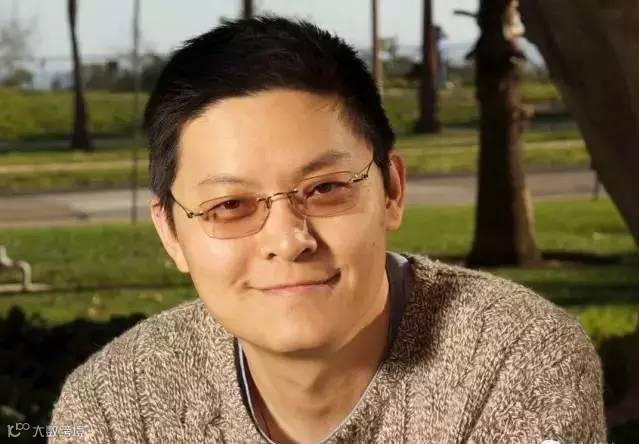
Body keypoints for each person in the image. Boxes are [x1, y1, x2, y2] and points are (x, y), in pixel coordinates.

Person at [50, 16, 606, 444]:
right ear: (171, 233)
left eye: (324, 189)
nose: (289, 241)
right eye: (231, 205)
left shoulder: (517, 362)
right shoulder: (115, 409)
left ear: (391, 190)